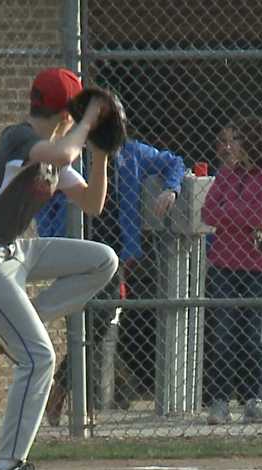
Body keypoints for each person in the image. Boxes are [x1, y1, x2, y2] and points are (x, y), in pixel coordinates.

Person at [0, 67, 118, 470]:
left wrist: (100, 151)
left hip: (14, 252)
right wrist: (87, 123)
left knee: (102, 261)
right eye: (78, 112)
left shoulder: (56, 147)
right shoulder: (19, 138)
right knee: (40, 358)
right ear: (67, 113)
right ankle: (10, 468)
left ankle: (30, 323)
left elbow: (93, 203)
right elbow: (60, 155)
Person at [37, 137, 185, 422]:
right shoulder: (72, 157)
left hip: (114, 254)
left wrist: (171, 189)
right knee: (86, 324)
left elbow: (174, 162)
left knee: (98, 324)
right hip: (76, 249)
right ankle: (76, 403)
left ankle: (66, 393)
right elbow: (45, 198)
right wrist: (50, 234)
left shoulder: (131, 153)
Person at [201, 116, 262, 424]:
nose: (231, 146)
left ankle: (253, 399)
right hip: (225, 263)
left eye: (238, 139)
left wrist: (230, 214)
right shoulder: (227, 174)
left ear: (254, 141)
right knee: (224, 333)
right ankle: (220, 401)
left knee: (254, 333)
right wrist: (242, 218)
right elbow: (208, 211)